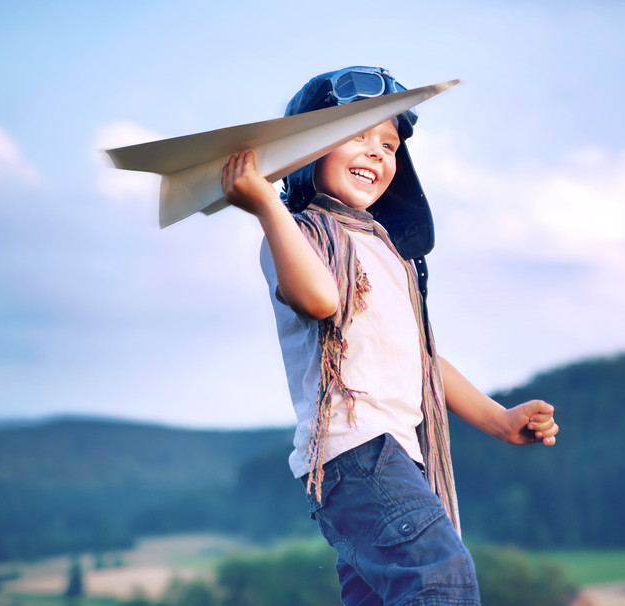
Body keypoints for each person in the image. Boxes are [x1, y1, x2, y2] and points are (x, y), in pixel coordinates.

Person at [221, 66, 559, 606]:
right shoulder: (298, 234)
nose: (378, 153)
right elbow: (319, 300)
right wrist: (265, 205)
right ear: (308, 150)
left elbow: (420, 356)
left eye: (389, 143)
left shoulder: (385, 250)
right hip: (357, 452)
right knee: (439, 578)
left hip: (396, 454)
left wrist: (498, 418)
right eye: (357, 135)